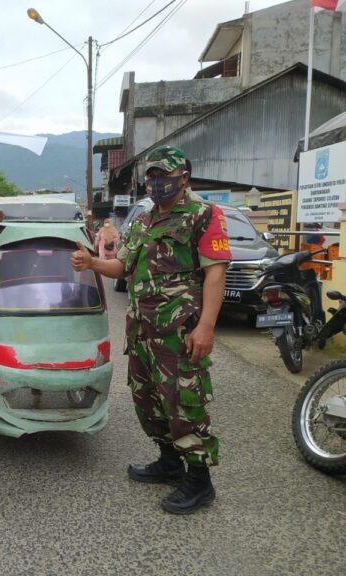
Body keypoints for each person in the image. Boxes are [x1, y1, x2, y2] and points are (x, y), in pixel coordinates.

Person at [71, 145, 231, 514]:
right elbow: (122, 268)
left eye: (164, 176)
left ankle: (198, 479)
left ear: (184, 178)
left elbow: (215, 273)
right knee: (148, 398)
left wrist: (206, 326)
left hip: (179, 330)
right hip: (142, 329)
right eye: (152, 177)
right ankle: (169, 461)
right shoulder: (143, 221)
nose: (157, 183)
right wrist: (92, 261)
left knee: (183, 401)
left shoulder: (204, 215)